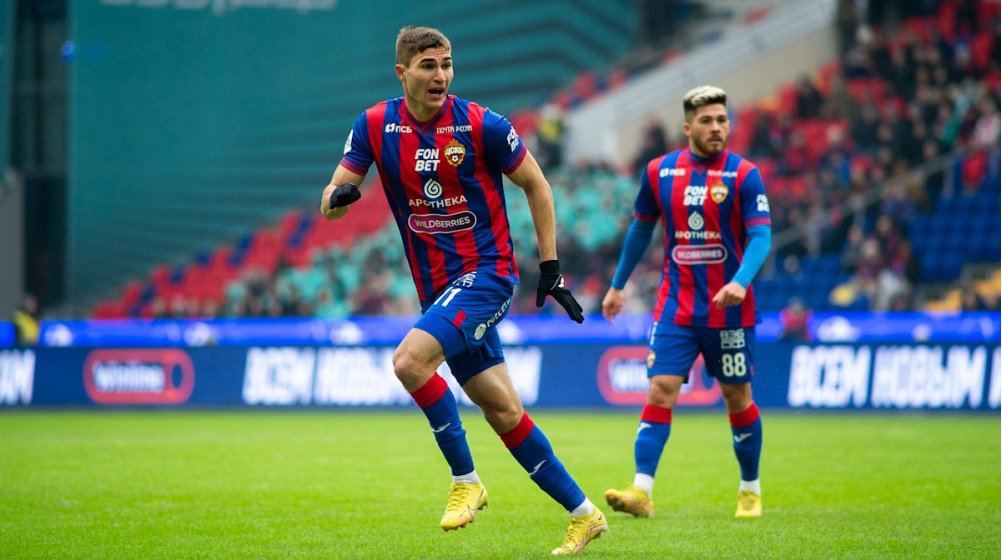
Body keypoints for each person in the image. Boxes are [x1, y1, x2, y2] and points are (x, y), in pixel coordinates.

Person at [320, 26, 607, 555]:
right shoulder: (375, 124)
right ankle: (584, 514)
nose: (441, 75)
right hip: (438, 291)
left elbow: (538, 185)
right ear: (402, 73)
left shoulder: (482, 124)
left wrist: (551, 269)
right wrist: (339, 197)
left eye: (447, 64)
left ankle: (465, 480)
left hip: (487, 275)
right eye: (428, 65)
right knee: (504, 411)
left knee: (410, 362)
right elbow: (331, 199)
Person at [601, 85, 772, 520]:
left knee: (737, 396)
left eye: (722, 120)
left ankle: (750, 489)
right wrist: (618, 285)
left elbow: (761, 237)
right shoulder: (659, 172)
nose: (716, 128)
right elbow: (641, 229)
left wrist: (740, 282)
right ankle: (641, 491)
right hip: (676, 306)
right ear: (687, 127)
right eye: (707, 121)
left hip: (729, 309)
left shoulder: (744, 175)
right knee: (660, 388)